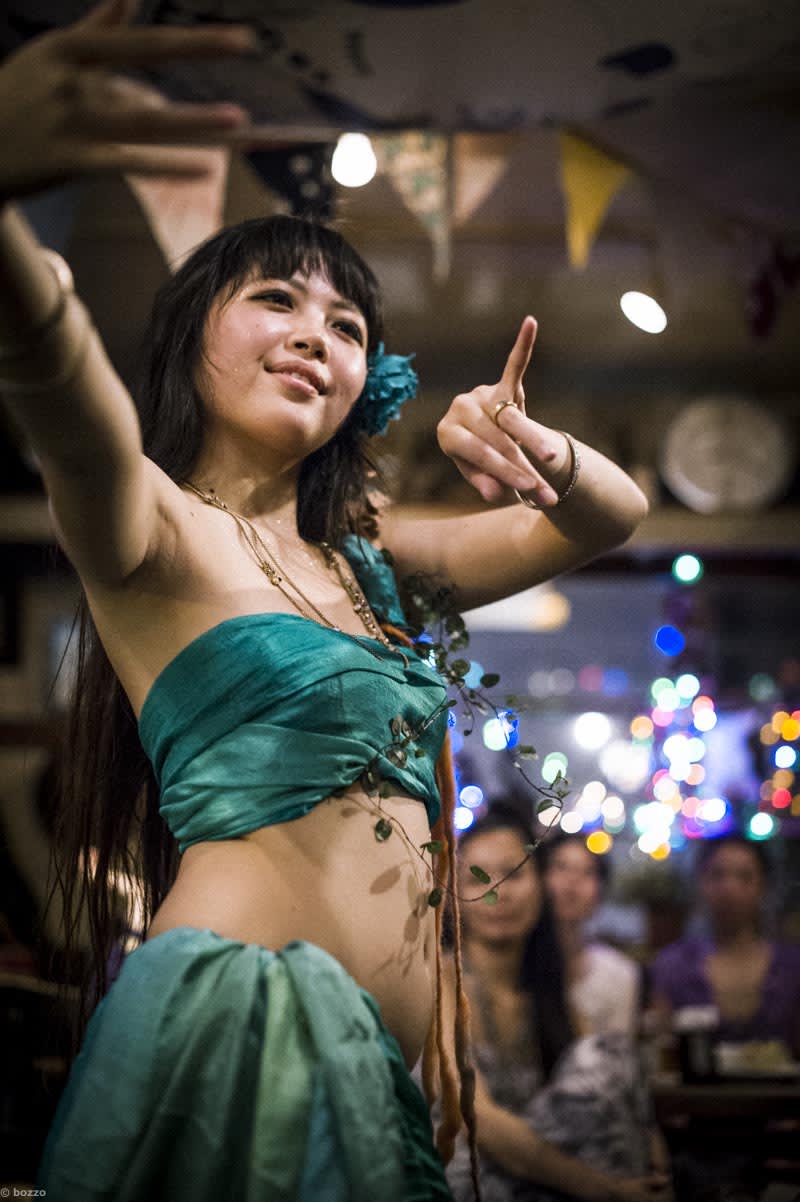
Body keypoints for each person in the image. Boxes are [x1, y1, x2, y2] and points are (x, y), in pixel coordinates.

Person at [0, 4, 650, 1198]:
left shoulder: (367, 558)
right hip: (238, 1029)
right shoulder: (152, 527)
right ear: (190, 337)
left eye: (345, 325)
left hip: (380, 1084)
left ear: (363, 383)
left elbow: (608, 517)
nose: (316, 335)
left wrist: (537, 445)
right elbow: (59, 395)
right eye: (275, 300)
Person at [442, 806, 672, 1202]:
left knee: (613, 1056)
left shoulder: (545, 985)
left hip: (544, 1170)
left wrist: (657, 1166)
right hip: (474, 1176)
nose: (498, 892)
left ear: (541, 885)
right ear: (454, 896)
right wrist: (606, 1190)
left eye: (514, 874)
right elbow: (480, 1121)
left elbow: (620, 1087)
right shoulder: (443, 982)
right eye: (478, 877)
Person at [650, 834, 800, 1055]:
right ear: (700, 883)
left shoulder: (792, 967)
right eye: (717, 875)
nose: (729, 888)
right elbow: (661, 1047)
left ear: (764, 886)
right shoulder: (673, 965)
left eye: (744, 877)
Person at [541, 832, 641, 1038]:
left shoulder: (618, 973)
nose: (572, 881)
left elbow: (615, 1050)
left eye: (587, 872)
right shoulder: (517, 964)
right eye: (561, 867)